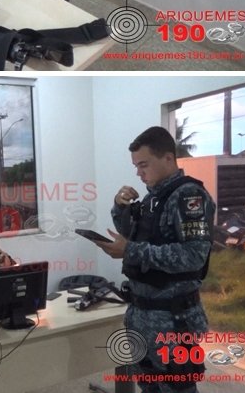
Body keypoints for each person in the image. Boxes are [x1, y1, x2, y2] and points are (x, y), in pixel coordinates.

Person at [82, 122, 214, 393]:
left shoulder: (189, 196)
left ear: (168, 158)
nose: (138, 173)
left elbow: (194, 256)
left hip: (173, 321)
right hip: (142, 316)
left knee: (177, 388)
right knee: (148, 386)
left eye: (143, 165)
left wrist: (130, 250)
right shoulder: (154, 198)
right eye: (136, 166)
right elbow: (133, 236)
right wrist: (120, 208)